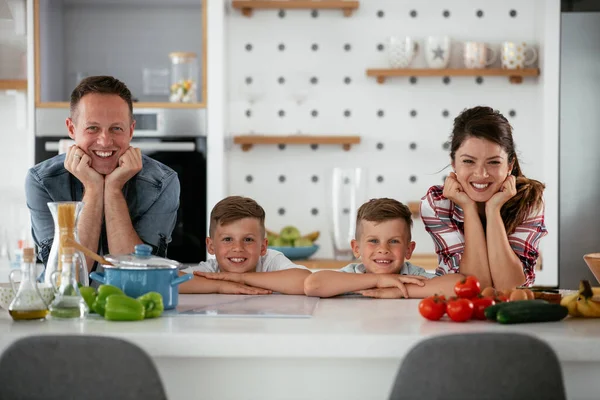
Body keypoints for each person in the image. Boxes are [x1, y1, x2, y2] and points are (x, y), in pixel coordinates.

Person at [26, 76, 180, 271]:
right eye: (93, 128)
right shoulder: (41, 182)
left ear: (131, 130)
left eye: (116, 128)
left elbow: (139, 272)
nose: (105, 141)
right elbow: (66, 277)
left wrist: (113, 190)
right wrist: (93, 188)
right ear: (72, 128)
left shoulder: (162, 182)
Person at [421, 106, 547, 290]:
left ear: (509, 165)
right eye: (469, 161)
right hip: (458, 310)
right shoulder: (437, 204)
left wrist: (493, 209)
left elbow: (511, 288)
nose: (481, 173)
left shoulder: (528, 201)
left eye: (494, 162)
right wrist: (469, 208)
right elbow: (475, 286)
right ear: (454, 162)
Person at [304, 198, 463, 298]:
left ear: (409, 250)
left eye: (394, 241)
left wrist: (400, 290)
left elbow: (459, 284)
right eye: (373, 240)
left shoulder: (412, 276)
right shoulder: (351, 274)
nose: (383, 249)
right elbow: (313, 284)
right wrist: (379, 280)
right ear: (356, 248)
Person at [179, 196, 311, 295]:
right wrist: (220, 286)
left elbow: (306, 280)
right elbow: (166, 281)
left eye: (248, 239)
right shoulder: (211, 271)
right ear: (211, 246)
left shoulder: (270, 262)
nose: (238, 248)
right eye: (228, 239)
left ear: (263, 247)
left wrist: (241, 278)